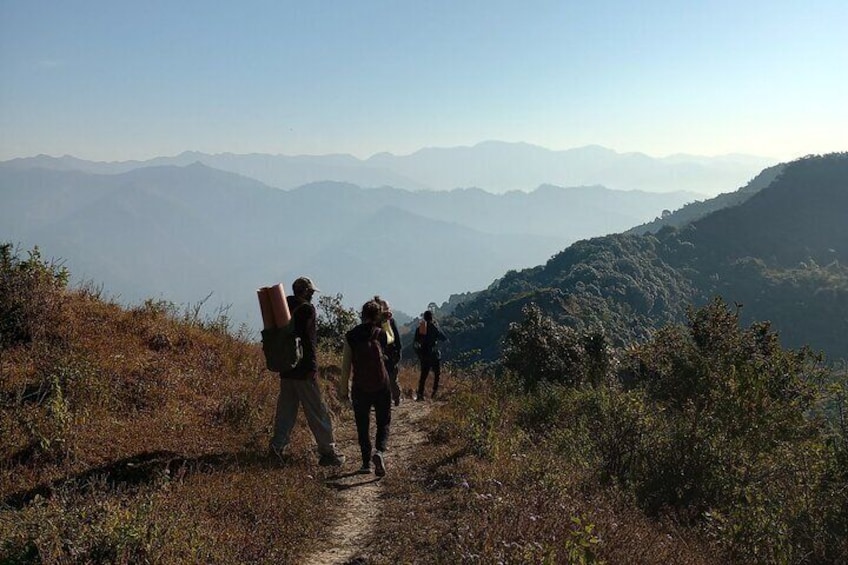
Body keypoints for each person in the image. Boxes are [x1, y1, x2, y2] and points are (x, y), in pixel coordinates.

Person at [269, 276, 345, 467]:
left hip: (287, 368)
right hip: (303, 371)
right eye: (310, 291)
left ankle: (277, 448)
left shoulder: (283, 307)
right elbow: (309, 341)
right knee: (317, 411)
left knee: (285, 410)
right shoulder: (306, 310)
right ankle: (328, 452)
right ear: (305, 291)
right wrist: (312, 367)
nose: (312, 295)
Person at [339, 300, 392, 476]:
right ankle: (379, 452)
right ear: (377, 316)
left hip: (360, 387)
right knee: (383, 420)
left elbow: (346, 366)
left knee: (363, 425)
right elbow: (391, 339)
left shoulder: (351, 336)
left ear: (361, 315)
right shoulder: (380, 333)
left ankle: (365, 463)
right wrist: (385, 322)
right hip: (381, 384)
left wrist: (343, 391)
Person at [374, 295, 403, 406]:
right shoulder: (376, 321)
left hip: (391, 355)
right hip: (379, 354)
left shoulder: (391, 321)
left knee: (392, 379)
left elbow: (396, 338)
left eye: (387, 308)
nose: (385, 310)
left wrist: (398, 353)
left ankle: (396, 397)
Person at [414, 310, 447, 401]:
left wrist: (419, 354)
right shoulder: (434, 327)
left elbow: (416, 342)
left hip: (424, 355)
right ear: (432, 317)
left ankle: (420, 395)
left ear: (424, 317)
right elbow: (443, 337)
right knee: (437, 375)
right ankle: (434, 393)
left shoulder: (421, 327)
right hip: (434, 355)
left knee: (423, 376)